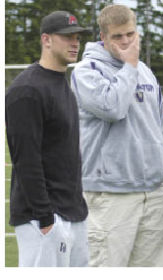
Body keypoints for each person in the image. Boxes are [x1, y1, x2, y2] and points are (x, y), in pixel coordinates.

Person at [70, 4, 163, 267]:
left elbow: (159, 126)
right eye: (118, 36)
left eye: (130, 34)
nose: (126, 41)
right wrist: (129, 67)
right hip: (110, 194)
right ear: (102, 37)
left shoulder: (146, 70)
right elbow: (112, 108)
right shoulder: (86, 71)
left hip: (153, 192)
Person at [5, 11, 91, 267]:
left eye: (77, 37)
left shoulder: (62, 83)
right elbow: (26, 159)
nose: (75, 43)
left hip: (72, 212)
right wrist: (45, 219)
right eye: (67, 37)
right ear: (46, 40)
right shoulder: (27, 90)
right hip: (44, 219)